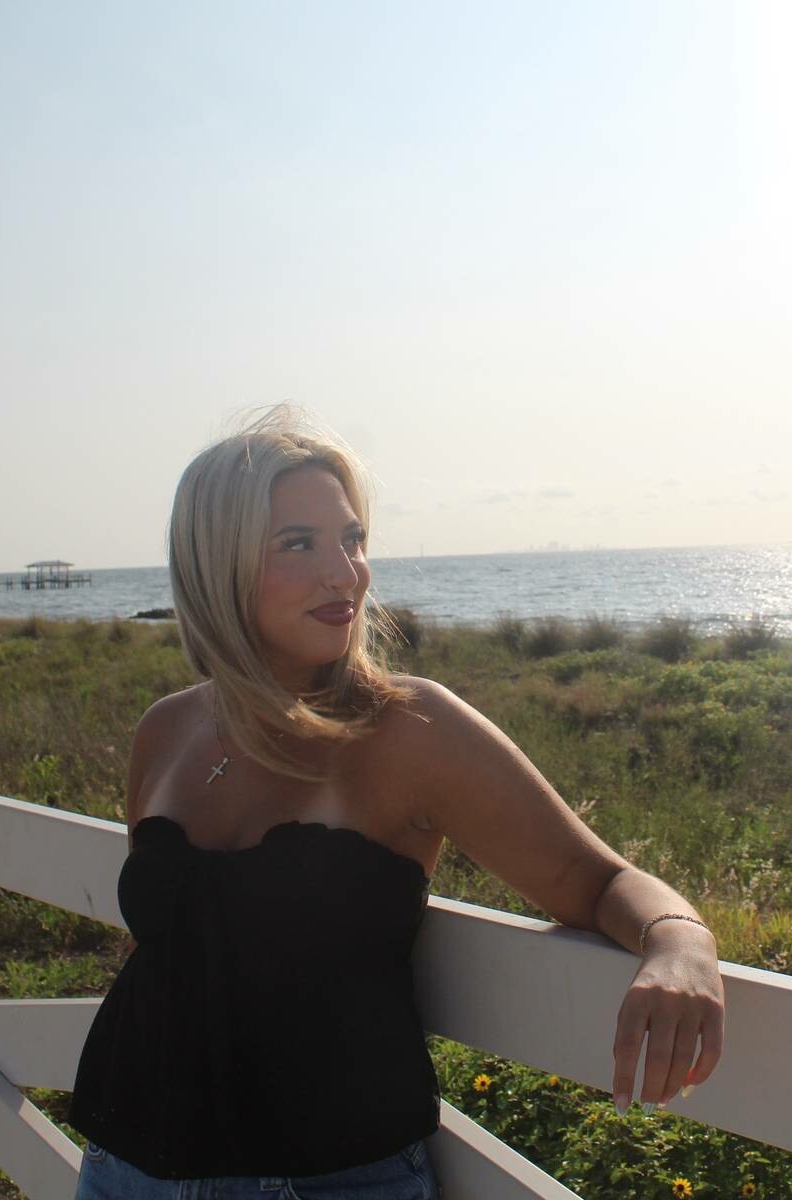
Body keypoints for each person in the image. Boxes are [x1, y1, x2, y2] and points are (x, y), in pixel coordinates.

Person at [66, 403, 726, 1200]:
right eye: (297, 544)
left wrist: (679, 942)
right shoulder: (165, 730)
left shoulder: (407, 728)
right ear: (215, 564)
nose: (344, 573)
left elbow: (597, 881)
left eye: (351, 540)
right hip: (121, 1167)